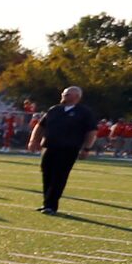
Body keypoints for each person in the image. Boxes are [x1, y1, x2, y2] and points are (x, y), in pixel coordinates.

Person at [29, 85, 98, 213]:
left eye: (67, 94)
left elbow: (92, 131)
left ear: (77, 97)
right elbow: (40, 126)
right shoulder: (54, 110)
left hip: (68, 148)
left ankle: (51, 205)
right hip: (49, 147)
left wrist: (87, 148)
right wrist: (33, 140)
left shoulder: (84, 112)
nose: (63, 96)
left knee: (59, 176)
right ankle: (47, 203)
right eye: (63, 94)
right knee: (47, 174)